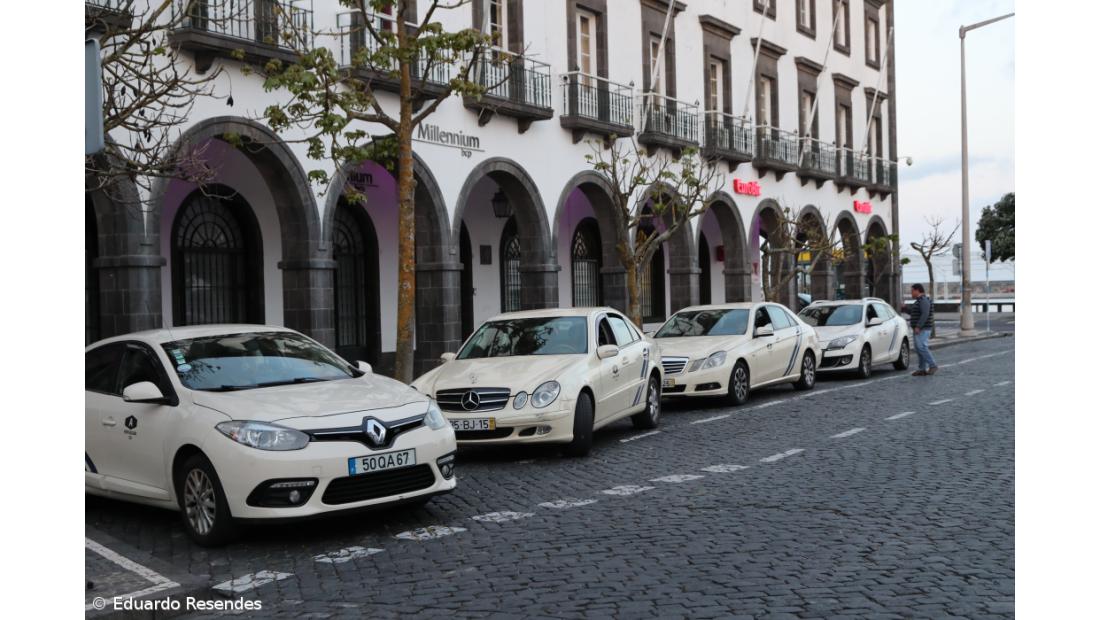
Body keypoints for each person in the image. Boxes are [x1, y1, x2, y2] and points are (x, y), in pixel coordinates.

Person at [908, 283, 937, 376]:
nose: (911, 293)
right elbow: (915, 313)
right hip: (920, 329)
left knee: (922, 347)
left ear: (917, 290)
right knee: (919, 349)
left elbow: (925, 314)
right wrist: (904, 308)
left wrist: (918, 326)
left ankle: (933, 365)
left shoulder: (923, 300)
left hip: (923, 329)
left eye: (912, 291)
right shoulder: (919, 301)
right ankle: (922, 369)